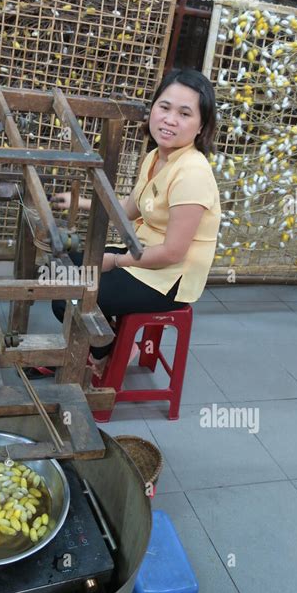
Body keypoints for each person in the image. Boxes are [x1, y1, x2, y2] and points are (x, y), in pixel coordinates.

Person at [47, 68, 221, 378]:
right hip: (143, 256)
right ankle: (108, 338)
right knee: (62, 266)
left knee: (67, 296)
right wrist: (82, 203)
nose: (169, 119)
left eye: (184, 113)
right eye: (164, 107)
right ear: (153, 109)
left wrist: (113, 261)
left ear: (201, 126)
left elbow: (172, 253)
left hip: (168, 278)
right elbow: (130, 208)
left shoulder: (192, 173)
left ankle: (111, 350)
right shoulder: (157, 157)